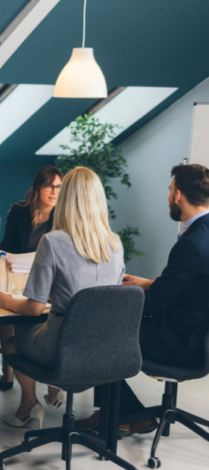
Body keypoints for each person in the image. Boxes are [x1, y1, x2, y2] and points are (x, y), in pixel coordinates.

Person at [81, 163, 209, 436]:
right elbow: (195, 285)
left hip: (178, 341)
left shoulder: (191, 243)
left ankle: (126, 414)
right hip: (197, 334)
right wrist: (149, 284)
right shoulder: (203, 233)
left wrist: (115, 298)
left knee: (102, 332)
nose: (168, 196)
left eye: (170, 190)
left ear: (178, 195)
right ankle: (114, 412)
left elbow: (151, 305)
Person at [0, 167, 124, 430]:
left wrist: (5, 300)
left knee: (11, 340)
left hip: (61, 350)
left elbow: (34, 308)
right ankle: (54, 395)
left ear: (65, 197)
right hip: (104, 349)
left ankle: (28, 405)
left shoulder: (53, 241)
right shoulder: (115, 243)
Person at [0, 165, 63, 392]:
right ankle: (7, 371)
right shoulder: (19, 211)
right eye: (49, 186)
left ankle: (50, 384)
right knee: (5, 311)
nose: (54, 192)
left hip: (49, 278)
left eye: (58, 187)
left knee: (39, 312)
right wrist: (6, 259)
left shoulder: (62, 216)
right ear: (38, 188)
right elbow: (5, 247)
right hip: (19, 274)